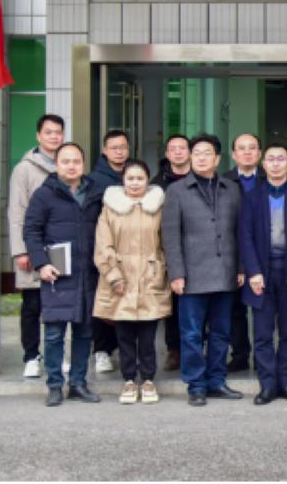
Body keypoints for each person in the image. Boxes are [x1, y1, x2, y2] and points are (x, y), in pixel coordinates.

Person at [162, 133, 244, 407]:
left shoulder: (231, 189)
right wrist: (176, 273)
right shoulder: (176, 191)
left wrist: (241, 267)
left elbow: (240, 231)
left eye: (207, 153)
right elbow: (170, 236)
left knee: (221, 332)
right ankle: (196, 385)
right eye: (196, 153)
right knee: (191, 334)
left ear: (217, 159)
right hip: (192, 275)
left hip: (225, 272)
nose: (201, 158)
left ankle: (216, 381)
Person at [23, 142, 105, 406]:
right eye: (65, 161)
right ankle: (55, 385)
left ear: (83, 164)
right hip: (57, 273)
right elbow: (31, 231)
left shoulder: (95, 192)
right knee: (54, 334)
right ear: (56, 164)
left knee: (84, 332)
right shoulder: (44, 194)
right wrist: (41, 264)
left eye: (76, 161)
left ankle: (78, 383)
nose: (71, 166)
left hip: (88, 273)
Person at [238, 143, 287, 405]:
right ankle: (267, 385)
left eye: (281, 159)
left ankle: (286, 382)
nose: (275, 163)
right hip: (262, 272)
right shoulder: (252, 197)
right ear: (263, 164)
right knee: (262, 333)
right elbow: (245, 236)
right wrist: (253, 271)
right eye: (271, 159)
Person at [92, 160, 171, 405]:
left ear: (148, 181)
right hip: (121, 277)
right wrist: (113, 276)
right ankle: (128, 380)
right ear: (123, 181)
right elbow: (103, 245)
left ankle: (147, 379)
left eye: (140, 178)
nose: (135, 183)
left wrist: (162, 271)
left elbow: (167, 243)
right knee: (124, 335)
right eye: (130, 178)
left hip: (150, 277)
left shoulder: (158, 207)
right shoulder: (110, 208)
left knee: (148, 335)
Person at [8, 113, 64, 379]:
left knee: (60, 302)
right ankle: (31, 356)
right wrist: (21, 250)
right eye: (49, 132)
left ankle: (57, 354)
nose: (54, 136)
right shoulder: (24, 169)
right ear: (38, 136)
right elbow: (16, 210)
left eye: (58, 132)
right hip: (33, 245)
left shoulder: (67, 163)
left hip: (60, 246)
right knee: (32, 305)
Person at [87, 129, 129, 374]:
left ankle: (124, 349)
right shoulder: (95, 179)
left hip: (131, 252)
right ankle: (102, 350)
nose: (119, 152)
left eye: (123, 147)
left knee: (125, 302)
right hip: (105, 249)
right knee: (104, 301)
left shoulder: (134, 174)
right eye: (114, 148)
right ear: (105, 151)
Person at [223, 132, 264, 374]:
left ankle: (262, 355)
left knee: (262, 310)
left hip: (264, 254)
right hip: (232, 253)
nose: (247, 152)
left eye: (252, 148)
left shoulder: (270, 179)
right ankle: (239, 354)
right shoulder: (223, 182)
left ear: (259, 153)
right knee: (235, 310)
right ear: (233, 154)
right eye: (242, 148)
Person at [150, 133, 191, 372]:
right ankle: (174, 349)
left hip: (197, 250)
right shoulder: (157, 184)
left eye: (182, 148)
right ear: (167, 154)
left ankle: (196, 347)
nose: (177, 152)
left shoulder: (201, 177)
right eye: (173, 148)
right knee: (173, 304)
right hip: (168, 250)